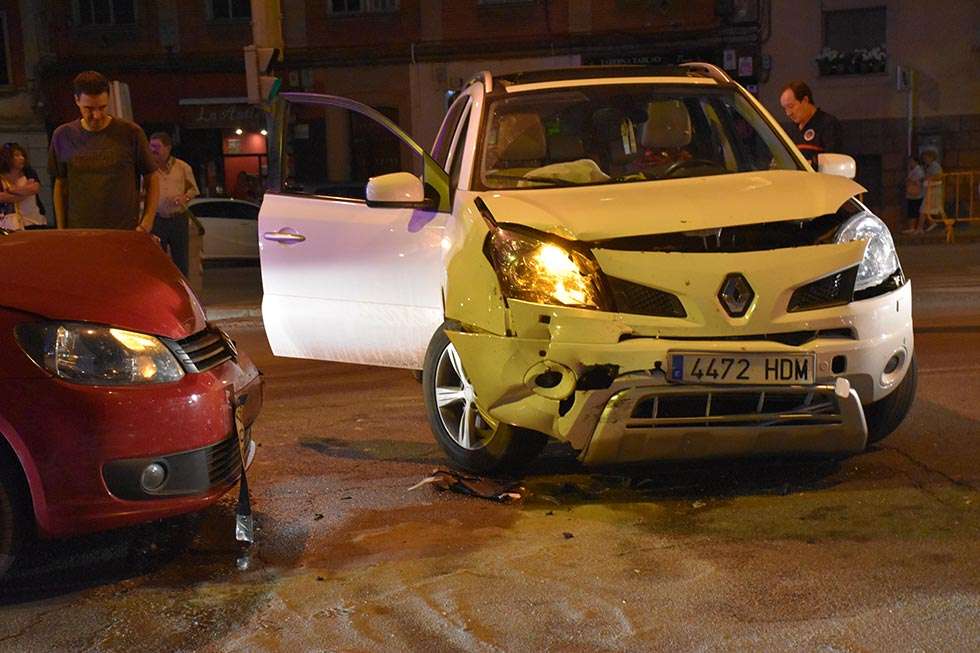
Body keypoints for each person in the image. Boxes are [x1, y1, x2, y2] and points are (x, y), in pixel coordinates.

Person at [47, 70, 159, 231]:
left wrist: (147, 222)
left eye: (102, 107)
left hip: (124, 230)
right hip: (80, 231)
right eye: (89, 108)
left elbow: (152, 177)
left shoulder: (130, 133)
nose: (97, 115)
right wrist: (61, 229)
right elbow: (60, 184)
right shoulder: (63, 135)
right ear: (76, 100)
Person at [148, 132, 200, 275]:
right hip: (157, 219)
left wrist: (185, 198)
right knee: (159, 260)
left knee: (181, 260)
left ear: (168, 148)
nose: (153, 150)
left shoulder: (182, 167)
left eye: (157, 146)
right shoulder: (149, 169)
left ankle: (183, 293)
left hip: (178, 218)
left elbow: (193, 190)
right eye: (151, 146)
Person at [779, 81, 843, 168]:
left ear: (805, 100)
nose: (788, 113)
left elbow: (834, 161)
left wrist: (811, 163)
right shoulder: (791, 131)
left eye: (791, 106)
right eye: (785, 109)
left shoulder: (828, 124)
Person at [0, 143, 46, 229]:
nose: (21, 158)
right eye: (16, 156)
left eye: (22, 155)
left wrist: (12, 190)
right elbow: (2, 197)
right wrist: (24, 192)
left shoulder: (28, 172)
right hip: (8, 224)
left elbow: (34, 188)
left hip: (33, 221)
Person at [905, 147, 945, 235]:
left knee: (923, 209)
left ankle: (920, 228)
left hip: (934, 190)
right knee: (930, 209)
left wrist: (928, 179)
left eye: (925, 157)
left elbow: (938, 176)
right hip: (930, 190)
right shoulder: (929, 166)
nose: (924, 159)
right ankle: (930, 225)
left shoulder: (935, 166)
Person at [903, 156, 925, 232]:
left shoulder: (918, 171)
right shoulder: (912, 170)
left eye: (911, 161)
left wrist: (911, 181)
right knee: (912, 210)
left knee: (914, 210)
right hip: (912, 193)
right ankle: (912, 227)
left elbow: (919, 181)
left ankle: (913, 227)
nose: (910, 163)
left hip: (916, 194)